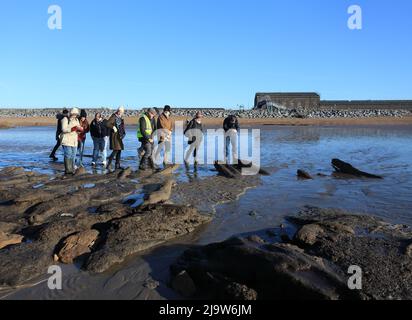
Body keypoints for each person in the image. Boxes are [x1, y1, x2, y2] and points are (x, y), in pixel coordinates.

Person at [61, 108, 83, 175]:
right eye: (73, 114)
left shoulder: (76, 120)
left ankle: (72, 169)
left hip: (74, 140)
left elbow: (78, 127)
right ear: (70, 113)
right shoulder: (65, 119)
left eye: (76, 114)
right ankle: (68, 170)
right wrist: (73, 129)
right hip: (66, 140)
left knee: (73, 155)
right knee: (68, 155)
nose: (74, 115)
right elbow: (64, 129)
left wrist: (80, 130)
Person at [106, 106, 126, 170]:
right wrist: (113, 127)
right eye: (120, 111)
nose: (121, 113)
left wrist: (123, 133)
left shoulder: (120, 117)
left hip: (119, 136)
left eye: (122, 112)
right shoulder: (114, 116)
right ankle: (108, 164)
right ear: (118, 111)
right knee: (116, 150)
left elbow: (121, 126)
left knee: (119, 150)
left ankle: (117, 165)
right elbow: (107, 124)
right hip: (114, 136)